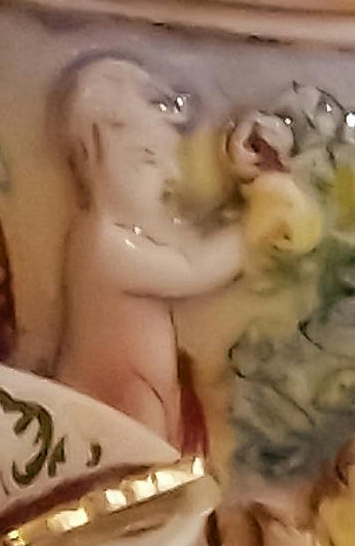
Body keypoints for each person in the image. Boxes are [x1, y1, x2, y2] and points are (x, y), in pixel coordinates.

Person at [46, 57, 249, 449]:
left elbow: (189, 241)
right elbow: (193, 269)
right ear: (93, 158)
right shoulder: (104, 245)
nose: (172, 175)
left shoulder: (128, 228)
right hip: (115, 396)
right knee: (140, 473)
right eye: (149, 159)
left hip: (147, 387)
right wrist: (253, 231)